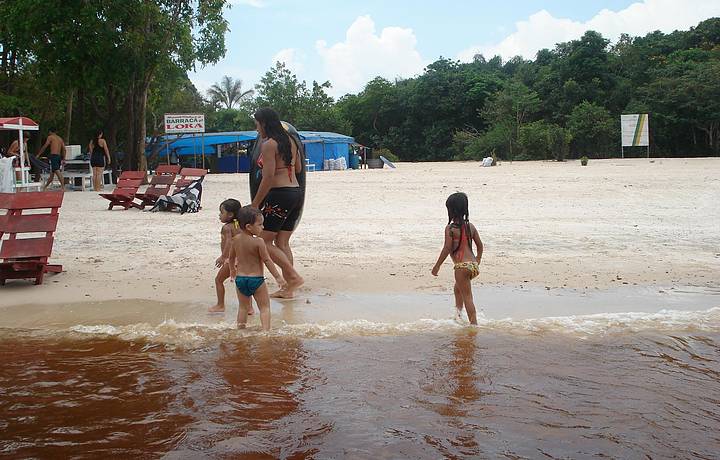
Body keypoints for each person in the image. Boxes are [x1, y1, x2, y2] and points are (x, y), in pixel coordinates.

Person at [249, 108, 304, 298]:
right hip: (296, 193)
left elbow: (268, 178)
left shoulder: (269, 145)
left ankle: (294, 278)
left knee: (263, 241)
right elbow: (297, 168)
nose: (256, 129)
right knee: (282, 241)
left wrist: (255, 204)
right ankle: (289, 288)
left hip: (280, 195)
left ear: (264, 123)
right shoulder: (292, 142)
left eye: (257, 124)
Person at [228, 206, 286, 331]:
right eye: (260, 225)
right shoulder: (258, 242)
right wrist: (278, 277)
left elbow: (231, 258)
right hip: (256, 280)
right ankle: (266, 332)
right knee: (264, 308)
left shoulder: (235, 240)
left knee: (243, 308)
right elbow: (267, 260)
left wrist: (232, 271)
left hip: (240, 279)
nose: (263, 227)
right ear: (249, 226)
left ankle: (241, 330)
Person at [431, 192, 484, 325]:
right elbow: (480, 245)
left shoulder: (450, 229)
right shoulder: (470, 226)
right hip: (473, 266)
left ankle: (474, 324)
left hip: (461, 267)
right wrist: (478, 259)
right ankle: (458, 316)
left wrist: (437, 266)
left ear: (451, 211)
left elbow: (447, 248)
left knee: (468, 297)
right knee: (458, 289)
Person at [208, 198, 254, 317]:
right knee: (244, 283)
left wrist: (223, 257)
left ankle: (220, 305)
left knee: (218, 280)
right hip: (245, 259)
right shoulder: (240, 226)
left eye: (221, 212)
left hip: (232, 260)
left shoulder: (227, 227)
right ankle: (249, 308)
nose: (219, 215)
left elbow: (229, 243)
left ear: (230, 214)